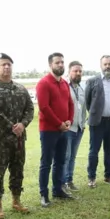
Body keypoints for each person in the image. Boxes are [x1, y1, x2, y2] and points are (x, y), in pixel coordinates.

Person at [0, 53, 35, 219]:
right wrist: (12, 126)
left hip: (18, 140)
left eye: (9, 64)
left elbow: (30, 109)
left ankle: (16, 201)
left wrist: (23, 124)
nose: (6, 67)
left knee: (18, 170)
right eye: (3, 64)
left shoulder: (20, 88)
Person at [34, 52, 75, 207]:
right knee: (46, 163)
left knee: (60, 161)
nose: (60, 65)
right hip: (49, 130)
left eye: (62, 62)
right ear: (50, 64)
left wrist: (69, 121)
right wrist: (59, 124)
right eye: (57, 62)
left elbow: (70, 103)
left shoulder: (64, 83)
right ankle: (44, 195)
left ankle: (57, 189)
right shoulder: (43, 83)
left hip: (64, 129)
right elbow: (44, 107)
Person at [83, 55, 110, 187]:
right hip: (97, 123)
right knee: (94, 151)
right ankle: (92, 177)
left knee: (109, 151)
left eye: (109, 64)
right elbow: (88, 102)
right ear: (101, 65)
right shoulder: (92, 81)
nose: (107, 66)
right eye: (105, 64)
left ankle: (108, 176)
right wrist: (95, 114)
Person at [63, 61, 88, 193]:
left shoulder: (80, 89)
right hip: (68, 129)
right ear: (69, 72)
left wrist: (83, 125)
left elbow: (83, 109)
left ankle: (69, 180)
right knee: (65, 156)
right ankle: (62, 183)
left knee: (72, 156)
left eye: (80, 71)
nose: (78, 73)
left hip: (79, 128)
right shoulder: (65, 87)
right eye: (75, 71)